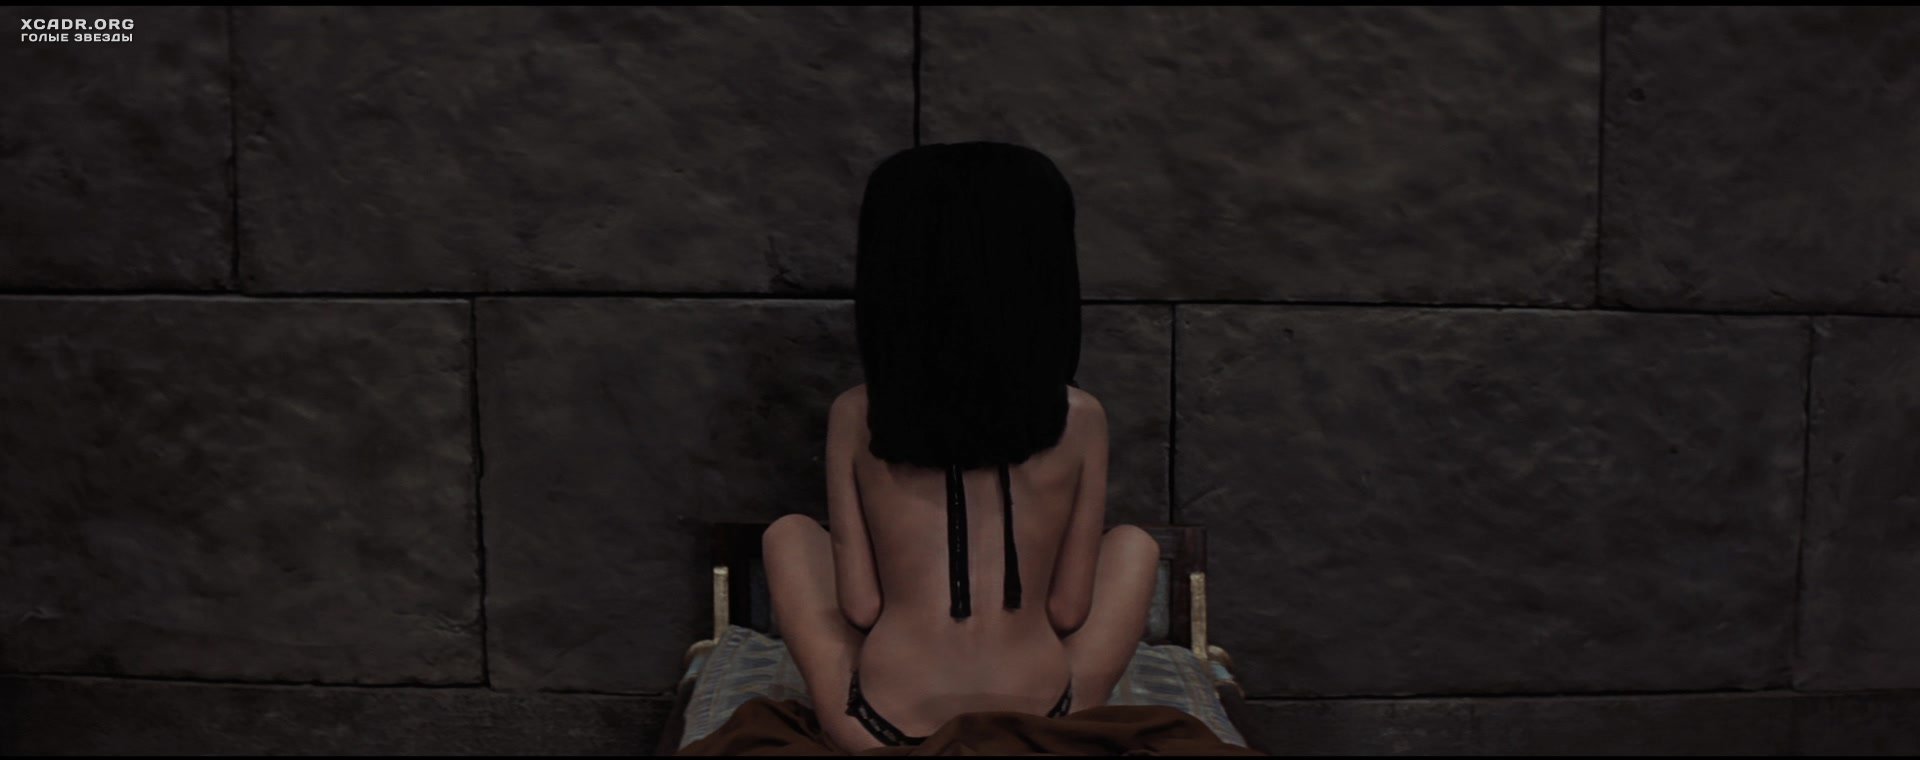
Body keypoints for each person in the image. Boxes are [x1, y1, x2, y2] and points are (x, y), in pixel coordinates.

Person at [761, 141, 1162, 752]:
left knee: (788, 533)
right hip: (1046, 721)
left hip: (877, 729)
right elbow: (1067, 611)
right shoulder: (1081, 417)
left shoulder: (856, 413)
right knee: (1134, 544)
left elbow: (861, 606)